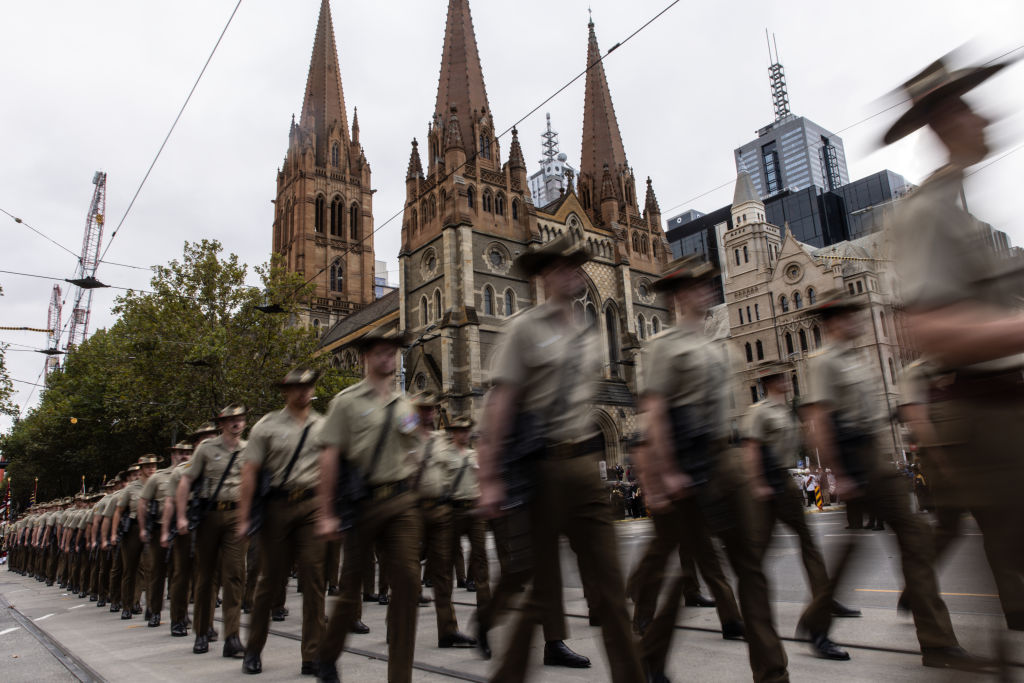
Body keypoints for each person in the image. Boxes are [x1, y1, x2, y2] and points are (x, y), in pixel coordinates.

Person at [888, 53, 1023, 635]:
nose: (984, 116)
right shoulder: (925, 213)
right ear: (943, 121)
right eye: (968, 105)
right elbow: (929, 328)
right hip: (987, 417)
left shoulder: (965, 214)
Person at [477, 235, 644, 683]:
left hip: (586, 471)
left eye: (577, 266)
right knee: (538, 590)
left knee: (609, 586)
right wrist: (491, 478)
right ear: (547, 275)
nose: (574, 273)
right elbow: (500, 404)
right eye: (564, 267)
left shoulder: (587, 335)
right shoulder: (524, 329)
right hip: (541, 469)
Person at [798, 290, 987, 672]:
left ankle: (937, 643)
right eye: (848, 315)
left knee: (914, 540)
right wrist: (838, 474)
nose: (856, 321)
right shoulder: (824, 363)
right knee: (854, 549)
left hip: (875, 458)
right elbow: (819, 422)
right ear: (833, 321)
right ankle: (817, 622)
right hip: (854, 462)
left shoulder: (859, 359)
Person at [636, 255, 789, 683]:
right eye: (698, 286)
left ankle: (773, 672)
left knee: (751, 567)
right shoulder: (663, 347)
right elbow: (656, 412)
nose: (707, 291)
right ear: (681, 295)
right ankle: (650, 655)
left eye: (709, 284)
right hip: (689, 465)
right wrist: (666, 472)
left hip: (726, 459)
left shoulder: (717, 349)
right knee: (683, 569)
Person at [314, 326, 422, 683]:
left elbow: (414, 447)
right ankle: (327, 654)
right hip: (362, 505)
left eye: (392, 351)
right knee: (351, 590)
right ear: (364, 357)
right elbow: (329, 458)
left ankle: (400, 676)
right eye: (379, 352)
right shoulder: (346, 402)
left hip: (401, 503)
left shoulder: (405, 403)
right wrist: (327, 512)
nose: (388, 357)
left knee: (407, 582)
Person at [743, 360, 861, 662]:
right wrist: (757, 483)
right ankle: (751, 610)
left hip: (784, 483)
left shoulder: (786, 412)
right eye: (781, 378)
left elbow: (798, 448)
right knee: (757, 553)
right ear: (770, 382)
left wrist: (817, 471)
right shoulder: (759, 413)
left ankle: (823, 605)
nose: (786, 381)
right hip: (767, 488)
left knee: (808, 544)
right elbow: (753, 450)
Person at [237, 368, 326, 675]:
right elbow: (250, 472)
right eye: (296, 387)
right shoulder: (266, 426)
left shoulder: (323, 426)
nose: (303, 392)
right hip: (277, 507)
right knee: (270, 582)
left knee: (314, 580)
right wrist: (245, 516)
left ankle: (312, 654)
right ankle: (254, 648)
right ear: (285, 391)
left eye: (308, 386)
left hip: (312, 506)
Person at [176, 404, 248, 657]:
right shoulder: (207, 449)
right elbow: (186, 480)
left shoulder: (248, 450)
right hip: (209, 516)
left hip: (236, 516)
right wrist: (181, 516)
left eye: (240, 419)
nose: (236, 423)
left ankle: (232, 637)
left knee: (235, 576)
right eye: (231, 419)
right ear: (221, 424)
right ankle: (202, 632)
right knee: (206, 577)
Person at [409, 394, 477, 651]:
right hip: (413, 512)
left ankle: (448, 630)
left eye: (432, 409)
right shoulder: (404, 438)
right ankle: (397, 627)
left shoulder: (441, 441)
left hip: (440, 511)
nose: (429, 414)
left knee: (443, 574)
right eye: (423, 409)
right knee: (406, 573)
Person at [140, 443, 191, 628]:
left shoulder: (195, 473)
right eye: (180, 453)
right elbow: (143, 502)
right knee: (157, 572)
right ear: (173, 455)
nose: (183, 456)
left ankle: (181, 613)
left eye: (187, 453)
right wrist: (144, 527)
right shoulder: (158, 477)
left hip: (184, 529)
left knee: (182, 574)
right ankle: (154, 611)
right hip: (160, 527)